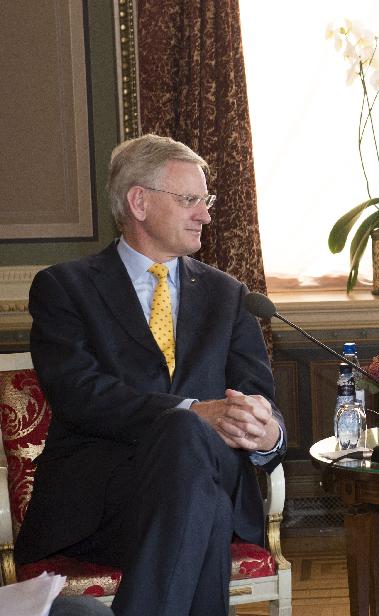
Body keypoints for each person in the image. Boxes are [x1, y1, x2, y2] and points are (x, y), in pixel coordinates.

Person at [14, 134, 287, 616]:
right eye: (190, 200)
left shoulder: (228, 295)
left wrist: (267, 432)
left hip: (209, 472)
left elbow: (257, 397)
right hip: (109, 501)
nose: (205, 213)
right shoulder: (65, 288)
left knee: (190, 458)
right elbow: (81, 395)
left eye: (207, 200)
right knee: (200, 490)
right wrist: (190, 412)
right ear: (139, 202)